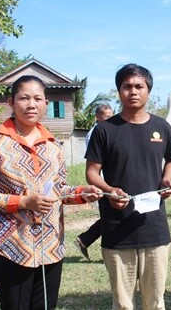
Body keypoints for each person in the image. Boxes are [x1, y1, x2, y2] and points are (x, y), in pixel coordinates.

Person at [0, 75, 102, 310]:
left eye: (38, 98)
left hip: (50, 247)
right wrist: (24, 202)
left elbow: (57, 190)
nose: (31, 104)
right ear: (12, 102)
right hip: (10, 248)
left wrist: (82, 193)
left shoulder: (52, 145)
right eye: (24, 98)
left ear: (46, 104)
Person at [85, 64, 171, 310]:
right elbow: (92, 172)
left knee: (155, 302)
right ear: (119, 91)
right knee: (123, 304)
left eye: (139, 86)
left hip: (154, 228)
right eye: (127, 86)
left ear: (149, 90)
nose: (133, 91)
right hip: (116, 229)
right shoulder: (104, 130)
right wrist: (110, 190)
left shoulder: (161, 127)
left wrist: (166, 179)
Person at [75, 103, 114, 260]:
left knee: (108, 216)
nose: (110, 118)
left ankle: (84, 240)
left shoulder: (106, 130)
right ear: (98, 117)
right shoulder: (96, 133)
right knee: (109, 217)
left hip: (108, 181)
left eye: (112, 115)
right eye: (107, 116)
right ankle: (91, 243)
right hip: (102, 182)